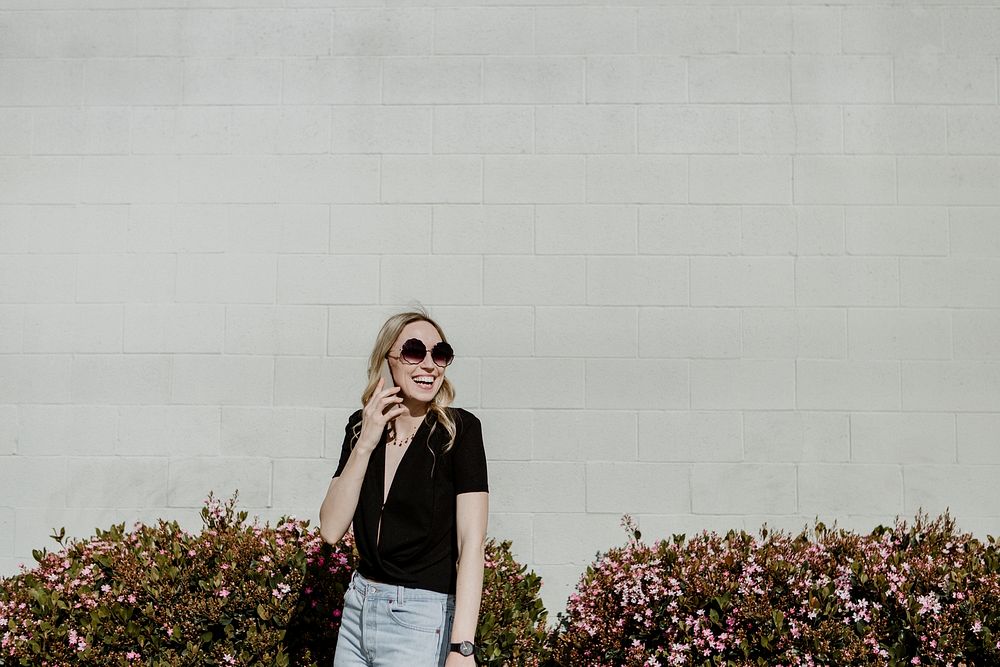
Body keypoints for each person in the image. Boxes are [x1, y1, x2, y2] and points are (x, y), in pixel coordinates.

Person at [319, 311, 489, 667]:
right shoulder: (360, 428)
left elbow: (471, 545)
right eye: (414, 351)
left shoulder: (459, 432)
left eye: (439, 353)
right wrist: (365, 441)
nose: (429, 364)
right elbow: (332, 528)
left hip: (420, 618)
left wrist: (462, 647)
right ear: (387, 361)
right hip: (357, 610)